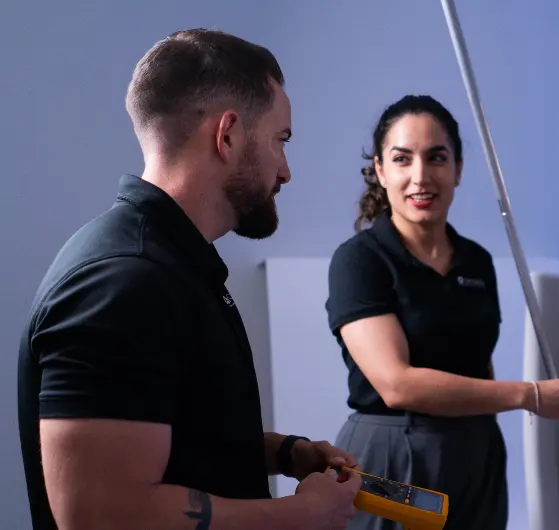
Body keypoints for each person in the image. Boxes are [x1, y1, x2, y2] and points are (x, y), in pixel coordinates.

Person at [16, 29, 364, 530]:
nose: (286, 171)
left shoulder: (171, 268)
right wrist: (301, 515)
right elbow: (101, 515)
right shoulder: (124, 283)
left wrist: (287, 454)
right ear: (227, 135)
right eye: (280, 141)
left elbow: (167, 433)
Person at [324, 94, 559, 530]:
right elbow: (396, 385)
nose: (420, 176)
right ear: (381, 172)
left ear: (458, 169)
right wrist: (531, 395)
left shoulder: (476, 262)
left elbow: (479, 367)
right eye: (402, 159)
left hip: (475, 452)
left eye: (436, 158)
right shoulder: (360, 261)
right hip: (393, 457)